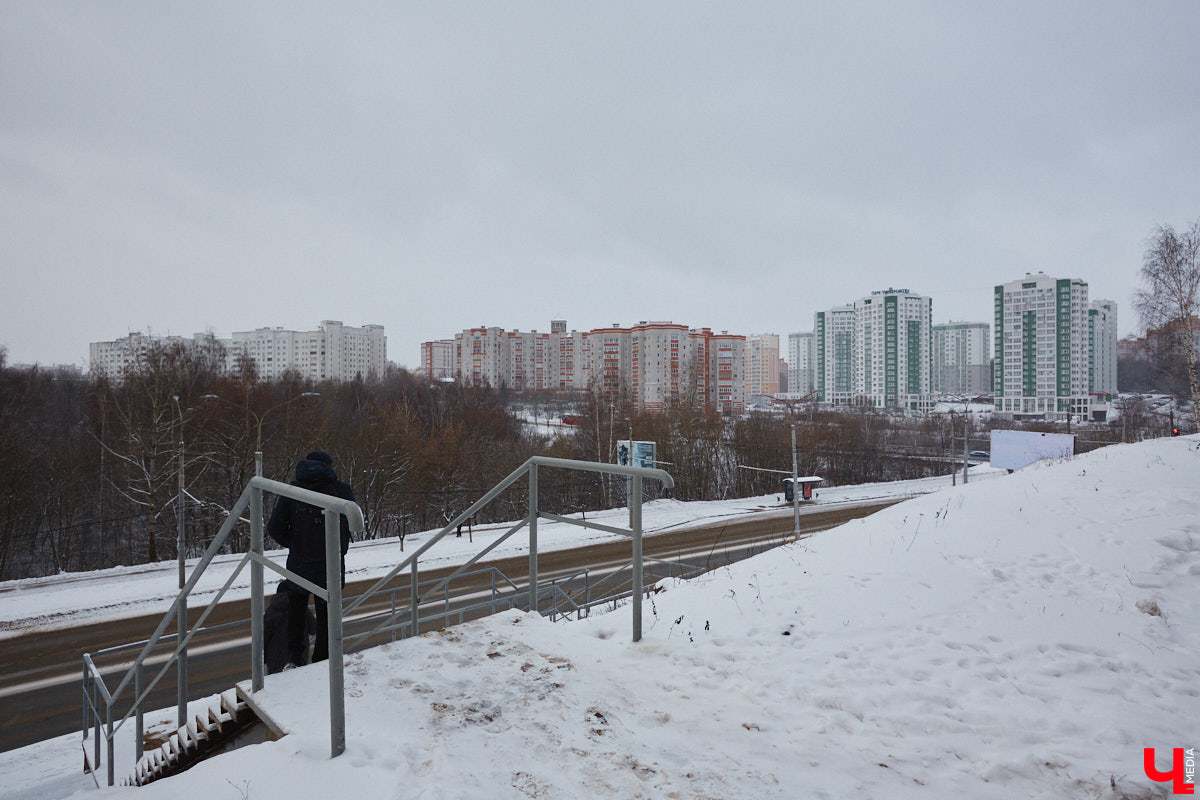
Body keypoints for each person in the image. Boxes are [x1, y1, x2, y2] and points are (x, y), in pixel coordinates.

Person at [266, 450, 354, 667]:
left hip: (300, 565)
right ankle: (324, 661)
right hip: (330, 566)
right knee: (327, 617)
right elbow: (351, 523)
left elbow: (275, 527)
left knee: (296, 612)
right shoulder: (341, 490)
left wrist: (295, 543)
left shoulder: (292, 491)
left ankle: (294, 660)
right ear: (329, 466)